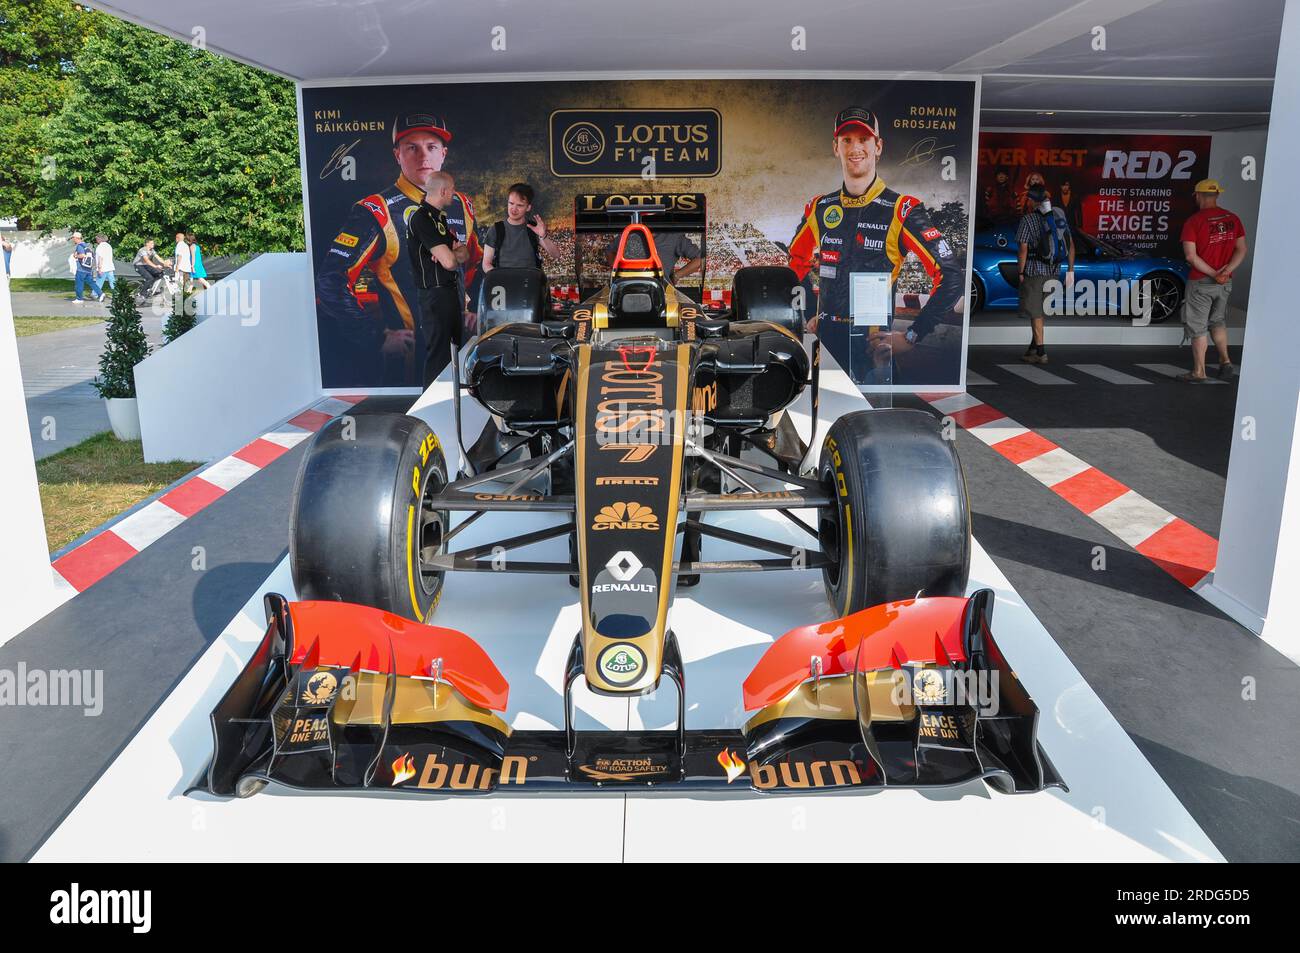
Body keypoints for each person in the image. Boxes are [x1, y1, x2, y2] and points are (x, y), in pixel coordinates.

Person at [787, 106, 963, 383]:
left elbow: (951, 275)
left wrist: (912, 335)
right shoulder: (820, 208)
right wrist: (810, 311)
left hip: (873, 348)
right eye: (847, 140)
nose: (855, 147)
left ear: (878, 146)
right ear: (836, 147)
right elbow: (796, 260)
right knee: (824, 420)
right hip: (828, 344)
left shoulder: (902, 210)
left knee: (871, 422)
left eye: (863, 139)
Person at [315, 113, 482, 386]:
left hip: (459, 350)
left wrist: (472, 308)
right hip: (411, 363)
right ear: (397, 155)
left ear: (443, 153)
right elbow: (330, 280)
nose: (422, 157)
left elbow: (474, 263)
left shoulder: (462, 203)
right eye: (411, 148)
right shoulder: (375, 210)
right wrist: (376, 336)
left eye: (431, 147)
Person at [1178, 179, 1247, 383]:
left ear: (1197, 196)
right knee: (1218, 321)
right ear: (1217, 195)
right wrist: (1226, 272)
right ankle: (1225, 362)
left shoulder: (1194, 221)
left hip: (1201, 282)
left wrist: (1213, 273)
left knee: (1198, 327)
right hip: (1224, 283)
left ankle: (1199, 371)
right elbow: (1241, 249)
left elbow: (1191, 256)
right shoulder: (1233, 219)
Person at [406, 171, 466, 387]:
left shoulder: (439, 218)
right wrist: (450, 256)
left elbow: (462, 253)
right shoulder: (421, 218)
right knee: (439, 354)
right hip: (434, 294)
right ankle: (428, 412)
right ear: (443, 191)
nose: (454, 193)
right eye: (452, 189)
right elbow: (450, 262)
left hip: (449, 292)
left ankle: (450, 405)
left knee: (454, 350)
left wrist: (451, 254)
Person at [1014, 182, 1074, 365]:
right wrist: (1071, 270)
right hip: (1054, 272)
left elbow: (1023, 249)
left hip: (1034, 272)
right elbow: (1070, 245)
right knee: (1039, 311)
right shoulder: (1059, 216)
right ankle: (1032, 349)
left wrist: (1021, 272)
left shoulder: (1028, 220)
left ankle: (1041, 352)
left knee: (1035, 313)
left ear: (1033, 201)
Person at [482, 183, 559, 272]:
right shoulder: (496, 229)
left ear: (528, 207)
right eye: (511, 203)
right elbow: (486, 263)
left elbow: (556, 255)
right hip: (503, 282)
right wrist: (498, 277)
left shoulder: (533, 228)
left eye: (519, 205)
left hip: (530, 282)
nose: (514, 209)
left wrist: (543, 236)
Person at [71, 231, 96, 303]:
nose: (73, 239)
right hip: (88, 268)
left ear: (76, 238)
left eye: (73, 238)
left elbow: (82, 255)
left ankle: (79, 298)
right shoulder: (86, 245)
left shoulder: (79, 246)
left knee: (79, 284)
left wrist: (76, 256)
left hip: (81, 268)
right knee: (91, 282)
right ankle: (100, 294)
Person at [92, 233, 115, 301]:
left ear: (99, 239)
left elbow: (101, 258)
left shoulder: (100, 247)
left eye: (96, 239)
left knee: (99, 282)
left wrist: (99, 268)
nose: (96, 240)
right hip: (110, 267)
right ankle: (116, 294)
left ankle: (95, 294)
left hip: (103, 268)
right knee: (112, 282)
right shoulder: (108, 246)